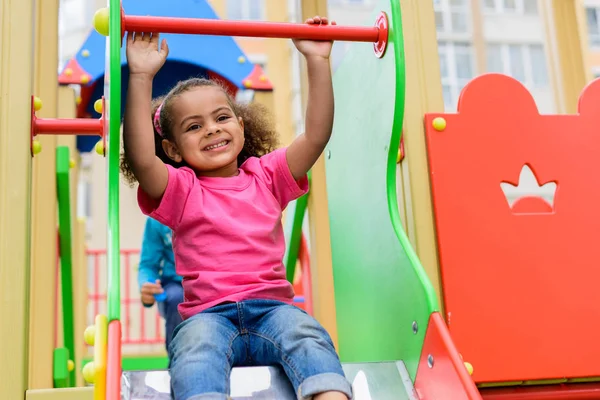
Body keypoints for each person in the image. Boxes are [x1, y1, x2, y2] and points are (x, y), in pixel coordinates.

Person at [121, 16, 352, 400]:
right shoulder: (181, 190)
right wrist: (141, 77)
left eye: (221, 117)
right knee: (193, 350)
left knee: (307, 333)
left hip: (274, 309)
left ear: (242, 127)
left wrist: (317, 61)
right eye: (193, 127)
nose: (211, 129)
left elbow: (315, 136)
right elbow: (143, 159)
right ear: (174, 150)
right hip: (209, 317)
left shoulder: (267, 176)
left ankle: (329, 394)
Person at [137, 215, 183, 351]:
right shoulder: (157, 220)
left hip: (207, 282)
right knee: (177, 300)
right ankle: (176, 360)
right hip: (175, 284)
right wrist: (146, 284)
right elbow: (148, 265)